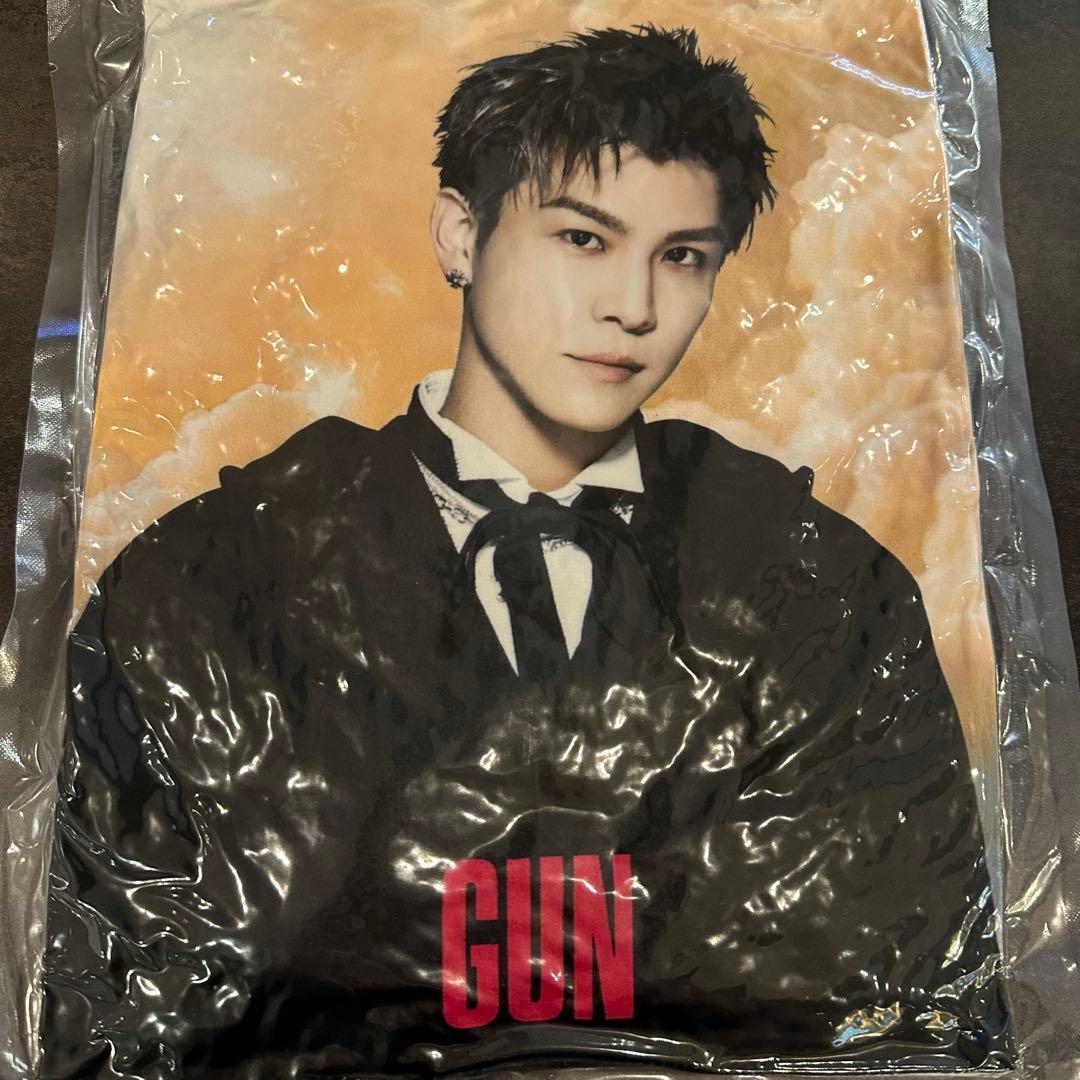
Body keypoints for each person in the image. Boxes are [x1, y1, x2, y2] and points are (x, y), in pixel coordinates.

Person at [41, 24, 1010, 1079]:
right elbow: (115, 1009)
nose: (632, 308)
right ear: (461, 235)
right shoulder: (207, 580)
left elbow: (912, 1010)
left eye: (681, 257)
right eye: (583, 239)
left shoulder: (824, 588)